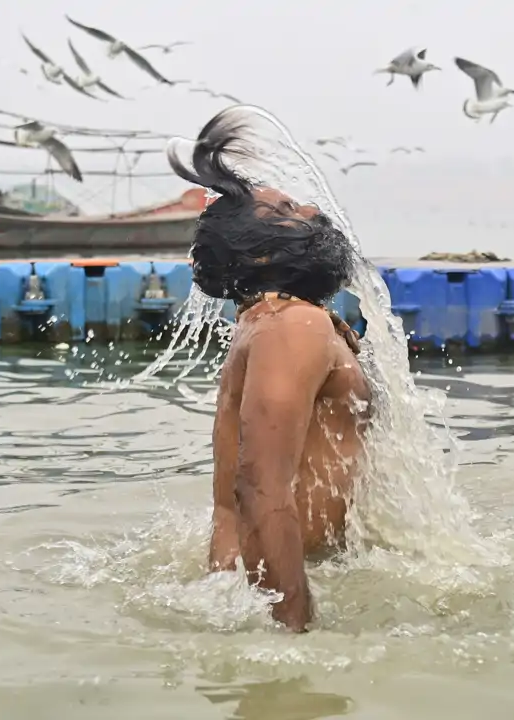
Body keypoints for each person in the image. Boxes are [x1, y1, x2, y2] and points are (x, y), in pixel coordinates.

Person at [167, 108, 372, 632]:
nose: (310, 209)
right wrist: (295, 632)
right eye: (285, 209)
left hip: (255, 583)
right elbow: (259, 487)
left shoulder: (278, 322)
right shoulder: (290, 326)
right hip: (264, 597)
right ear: (257, 257)